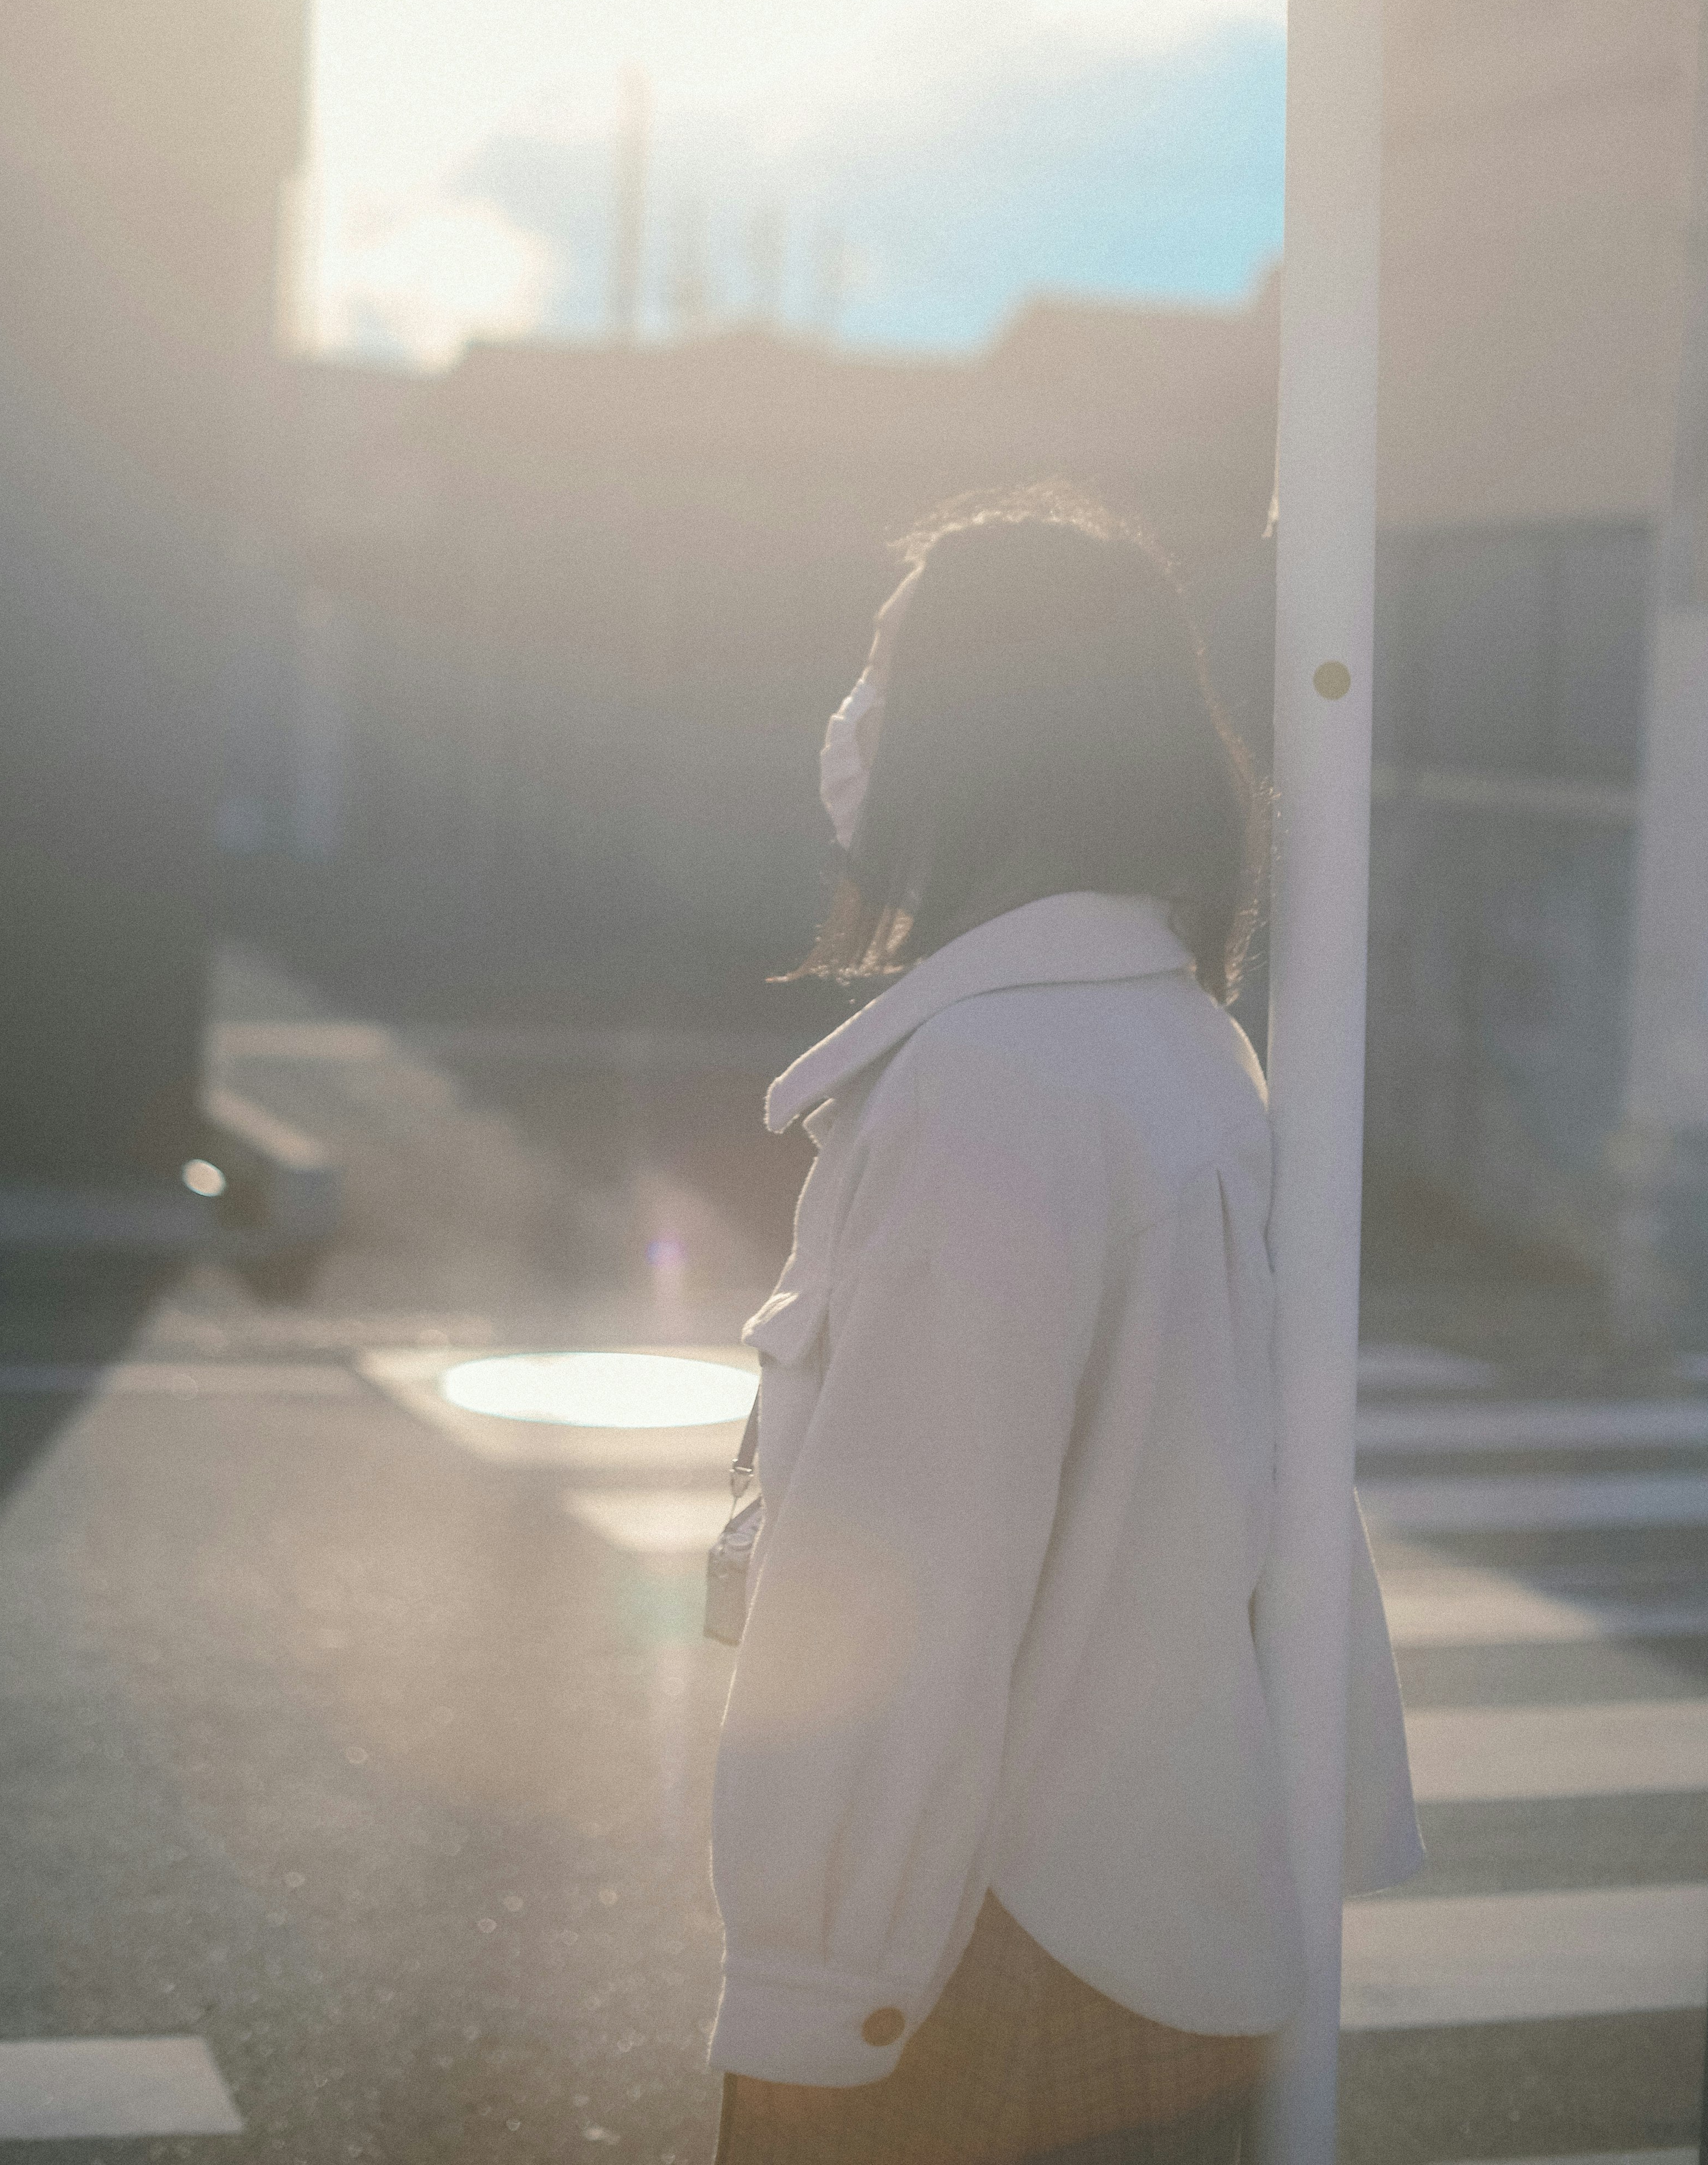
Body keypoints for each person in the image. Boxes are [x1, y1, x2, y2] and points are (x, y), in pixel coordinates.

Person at [707, 486, 1422, 2165]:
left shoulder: (994, 1084)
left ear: (986, 730)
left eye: (888, 671)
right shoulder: (1170, 1042)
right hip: (1149, 1937)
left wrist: (819, 1992)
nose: (856, 720)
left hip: (985, 1966)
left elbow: (907, 1589)